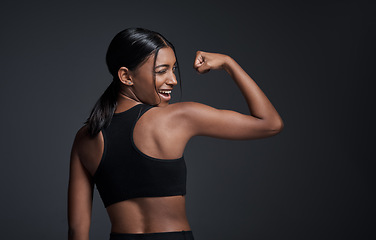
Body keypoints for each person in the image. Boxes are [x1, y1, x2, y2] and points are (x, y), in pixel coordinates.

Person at [67, 27, 284, 240]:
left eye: (173, 69)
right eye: (162, 70)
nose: (173, 80)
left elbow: (77, 231)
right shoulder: (179, 117)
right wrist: (228, 63)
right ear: (126, 76)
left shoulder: (85, 137)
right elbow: (270, 123)